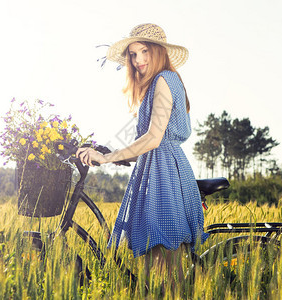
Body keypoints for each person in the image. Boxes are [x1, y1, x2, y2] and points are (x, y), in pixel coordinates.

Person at [76, 23, 208, 290]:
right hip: (156, 170)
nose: (138, 60)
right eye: (133, 55)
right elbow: (150, 142)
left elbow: (154, 139)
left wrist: (106, 158)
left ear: (158, 51)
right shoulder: (155, 85)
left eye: (144, 51)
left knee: (165, 260)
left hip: (165, 176)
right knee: (153, 265)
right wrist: (111, 153)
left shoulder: (165, 79)